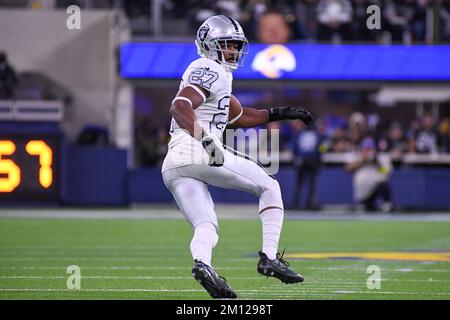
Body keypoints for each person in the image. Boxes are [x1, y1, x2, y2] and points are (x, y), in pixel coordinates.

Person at [161, 15, 314, 299]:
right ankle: (269, 257)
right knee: (269, 186)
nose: (233, 51)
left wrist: (282, 112)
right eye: (227, 44)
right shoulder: (208, 67)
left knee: (206, 225)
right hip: (196, 150)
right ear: (209, 45)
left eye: (234, 45)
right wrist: (207, 140)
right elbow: (180, 106)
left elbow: (241, 117)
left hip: (174, 164)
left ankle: (203, 266)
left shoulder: (219, 74)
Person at [346, 137, 394, 212]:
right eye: (366, 149)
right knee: (369, 209)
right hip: (363, 192)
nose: (368, 151)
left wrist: (377, 162)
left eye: (370, 148)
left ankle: (387, 204)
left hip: (376, 189)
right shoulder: (357, 156)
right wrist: (362, 160)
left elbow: (387, 172)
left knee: (383, 184)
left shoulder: (381, 157)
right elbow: (348, 169)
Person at [291, 121, 324, 210]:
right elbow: (321, 147)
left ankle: (296, 203)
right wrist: (319, 158)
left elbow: (294, 147)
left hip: (302, 160)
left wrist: (296, 157)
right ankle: (309, 203)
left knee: (299, 183)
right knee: (311, 183)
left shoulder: (300, 134)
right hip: (312, 161)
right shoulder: (317, 135)